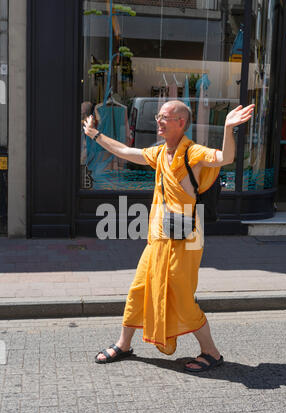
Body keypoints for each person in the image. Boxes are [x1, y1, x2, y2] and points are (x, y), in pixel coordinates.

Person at [83, 100, 255, 374]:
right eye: (159, 117)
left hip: (187, 238)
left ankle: (211, 352)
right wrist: (95, 135)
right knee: (139, 288)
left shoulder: (193, 153)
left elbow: (226, 158)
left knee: (181, 296)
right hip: (160, 236)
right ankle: (124, 344)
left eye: (165, 117)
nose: (158, 122)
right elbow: (127, 151)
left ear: (181, 123)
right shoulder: (160, 153)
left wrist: (228, 129)